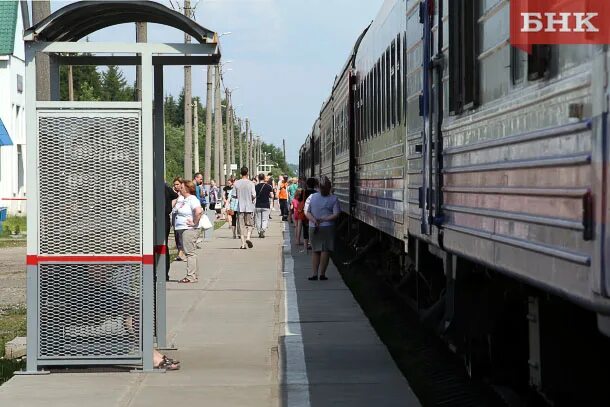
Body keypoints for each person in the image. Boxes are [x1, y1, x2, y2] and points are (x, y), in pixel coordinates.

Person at [305, 176, 340, 281]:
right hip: (328, 227)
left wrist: (314, 220)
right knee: (325, 250)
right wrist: (324, 219)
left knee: (315, 250)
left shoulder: (311, 197)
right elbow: (336, 214)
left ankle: (314, 274)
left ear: (319, 187)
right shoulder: (334, 198)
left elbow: (306, 212)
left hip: (313, 227)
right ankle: (322, 274)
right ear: (329, 187)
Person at [173, 180, 203, 283]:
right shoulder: (184, 199)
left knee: (190, 253)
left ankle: (190, 276)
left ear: (186, 189)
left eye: (181, 187)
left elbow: (198, 211)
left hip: (189, 230)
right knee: (190, 253)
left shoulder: (192, 199)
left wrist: (194, 222)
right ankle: (193, 275)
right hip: (183, 229)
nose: (179, 189)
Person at [232, 167, 256, 249]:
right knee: (250, 224)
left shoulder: (236, 183)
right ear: (247, 173)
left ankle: (243, 244)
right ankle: (248, 237)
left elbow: (234, 196)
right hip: (249, 207)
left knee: (241, 225)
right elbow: (254, 195)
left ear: (240, 173)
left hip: (240, 207)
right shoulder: (251, 183)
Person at [164, 181, 179, 280]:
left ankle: (155, 272)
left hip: (153, 219)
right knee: (164, 246)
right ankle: (164, 273)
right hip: (164, 219)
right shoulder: (165, 187)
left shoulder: (149, 186)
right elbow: (175, 195)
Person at [302, 177, 318, 252]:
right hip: (314, 213)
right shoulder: (316, 193)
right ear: (315, 184)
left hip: (305, 213)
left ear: (307, 184)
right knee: (313, 230)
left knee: (305, 230)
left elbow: (299, 200)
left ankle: (305, 248)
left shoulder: (303, 192)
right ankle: (312, 246)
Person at [255, 173, 274, 238]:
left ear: (258, 178)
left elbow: (253, 196)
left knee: (258, 219)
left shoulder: (255, 186)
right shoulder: (269, 186)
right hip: (266, 205)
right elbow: (272, 196)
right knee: (265, 219)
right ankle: (263, 230)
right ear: (264, 178)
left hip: (257, 205)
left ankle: (259, 231)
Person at [171, 177, 186, 261]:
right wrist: (175, 196)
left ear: (181, 185)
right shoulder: (174, 194)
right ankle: (180, 251)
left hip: (182, 216)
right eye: (175, 184)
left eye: (177, 184)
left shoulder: (185, 193)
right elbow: (171, 205)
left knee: (181, 234)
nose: (176, 186)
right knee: (176, 234)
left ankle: (181, 252)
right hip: (174, 214)